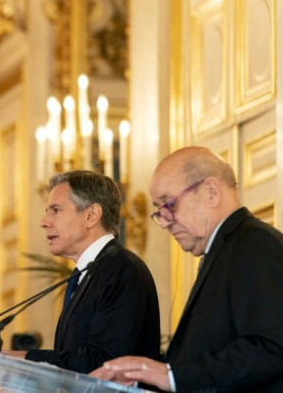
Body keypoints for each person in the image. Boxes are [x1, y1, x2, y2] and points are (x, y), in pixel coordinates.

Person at [91, 146, 283, 391]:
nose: (165, 222)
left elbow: (272, 348)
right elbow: (208, 352)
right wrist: (142, 374)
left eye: (169, 205)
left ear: (211, 192)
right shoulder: (225, 250)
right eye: (159, 211)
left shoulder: (255, 243)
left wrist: (171, 375)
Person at [8, 170, 160, 374]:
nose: (44, 221)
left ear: (91, 215)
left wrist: (26, 358)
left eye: (55, 210)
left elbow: (105, 363)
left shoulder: (121, 269)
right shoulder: (86, 275)